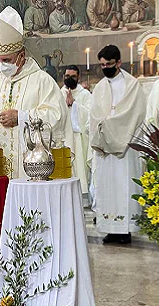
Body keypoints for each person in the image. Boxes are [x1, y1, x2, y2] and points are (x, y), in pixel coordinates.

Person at [0, 6, 71, 179]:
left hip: (33, 168)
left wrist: (21, 117)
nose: (2, 65)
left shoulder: (42, 81)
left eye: (6, 60)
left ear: (22, 55)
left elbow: (56, 115)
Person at [89, 45, 146, 244]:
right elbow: (94, 115)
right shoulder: (100, 87)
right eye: (102, 65)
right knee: (107, 187)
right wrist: (103, 130)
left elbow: (135, 114)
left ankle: (125, 230)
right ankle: (109, 229)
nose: (105, 68)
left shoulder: (132, 85)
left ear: (119, 63)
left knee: (124, 186)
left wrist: (112, 128)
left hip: (126, 146)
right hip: (105, 148)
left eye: (109, 64)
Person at [61, 65, 91, 204]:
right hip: (63, 138)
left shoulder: (85, 95)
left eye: (73, 76)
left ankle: (83, 200)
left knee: (79, 167)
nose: (69, 79)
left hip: (79, 139)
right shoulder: (58, 93)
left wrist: (75, 106)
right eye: (67, 76)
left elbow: (90, 114)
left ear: (78, 77)